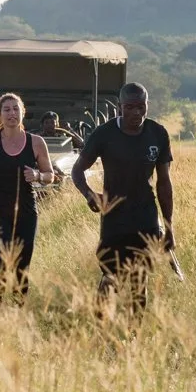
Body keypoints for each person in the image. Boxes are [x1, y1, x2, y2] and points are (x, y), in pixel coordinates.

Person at [70, 82, 175, 312]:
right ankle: (101, 328)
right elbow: (77, 171)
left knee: (139, 281)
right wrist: (89, 195)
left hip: (146, 216)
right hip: (114, 216)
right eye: (130, 107)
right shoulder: (104, 134)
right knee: (111, 278)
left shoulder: (157, 133)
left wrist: (168, 227)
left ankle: (133, 338)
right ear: (120, 107)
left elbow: (164, 183)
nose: (136, 113)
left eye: (141, 107)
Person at [0, 91, 55, 298]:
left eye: (15, 109)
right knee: (1, 262)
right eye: (7, 109)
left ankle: (19, 310)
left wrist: (38, 175)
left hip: (26, 211)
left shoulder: (36, 142)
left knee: (22, 266)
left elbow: (50, 176)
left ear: (23, 112)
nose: (12, 113)